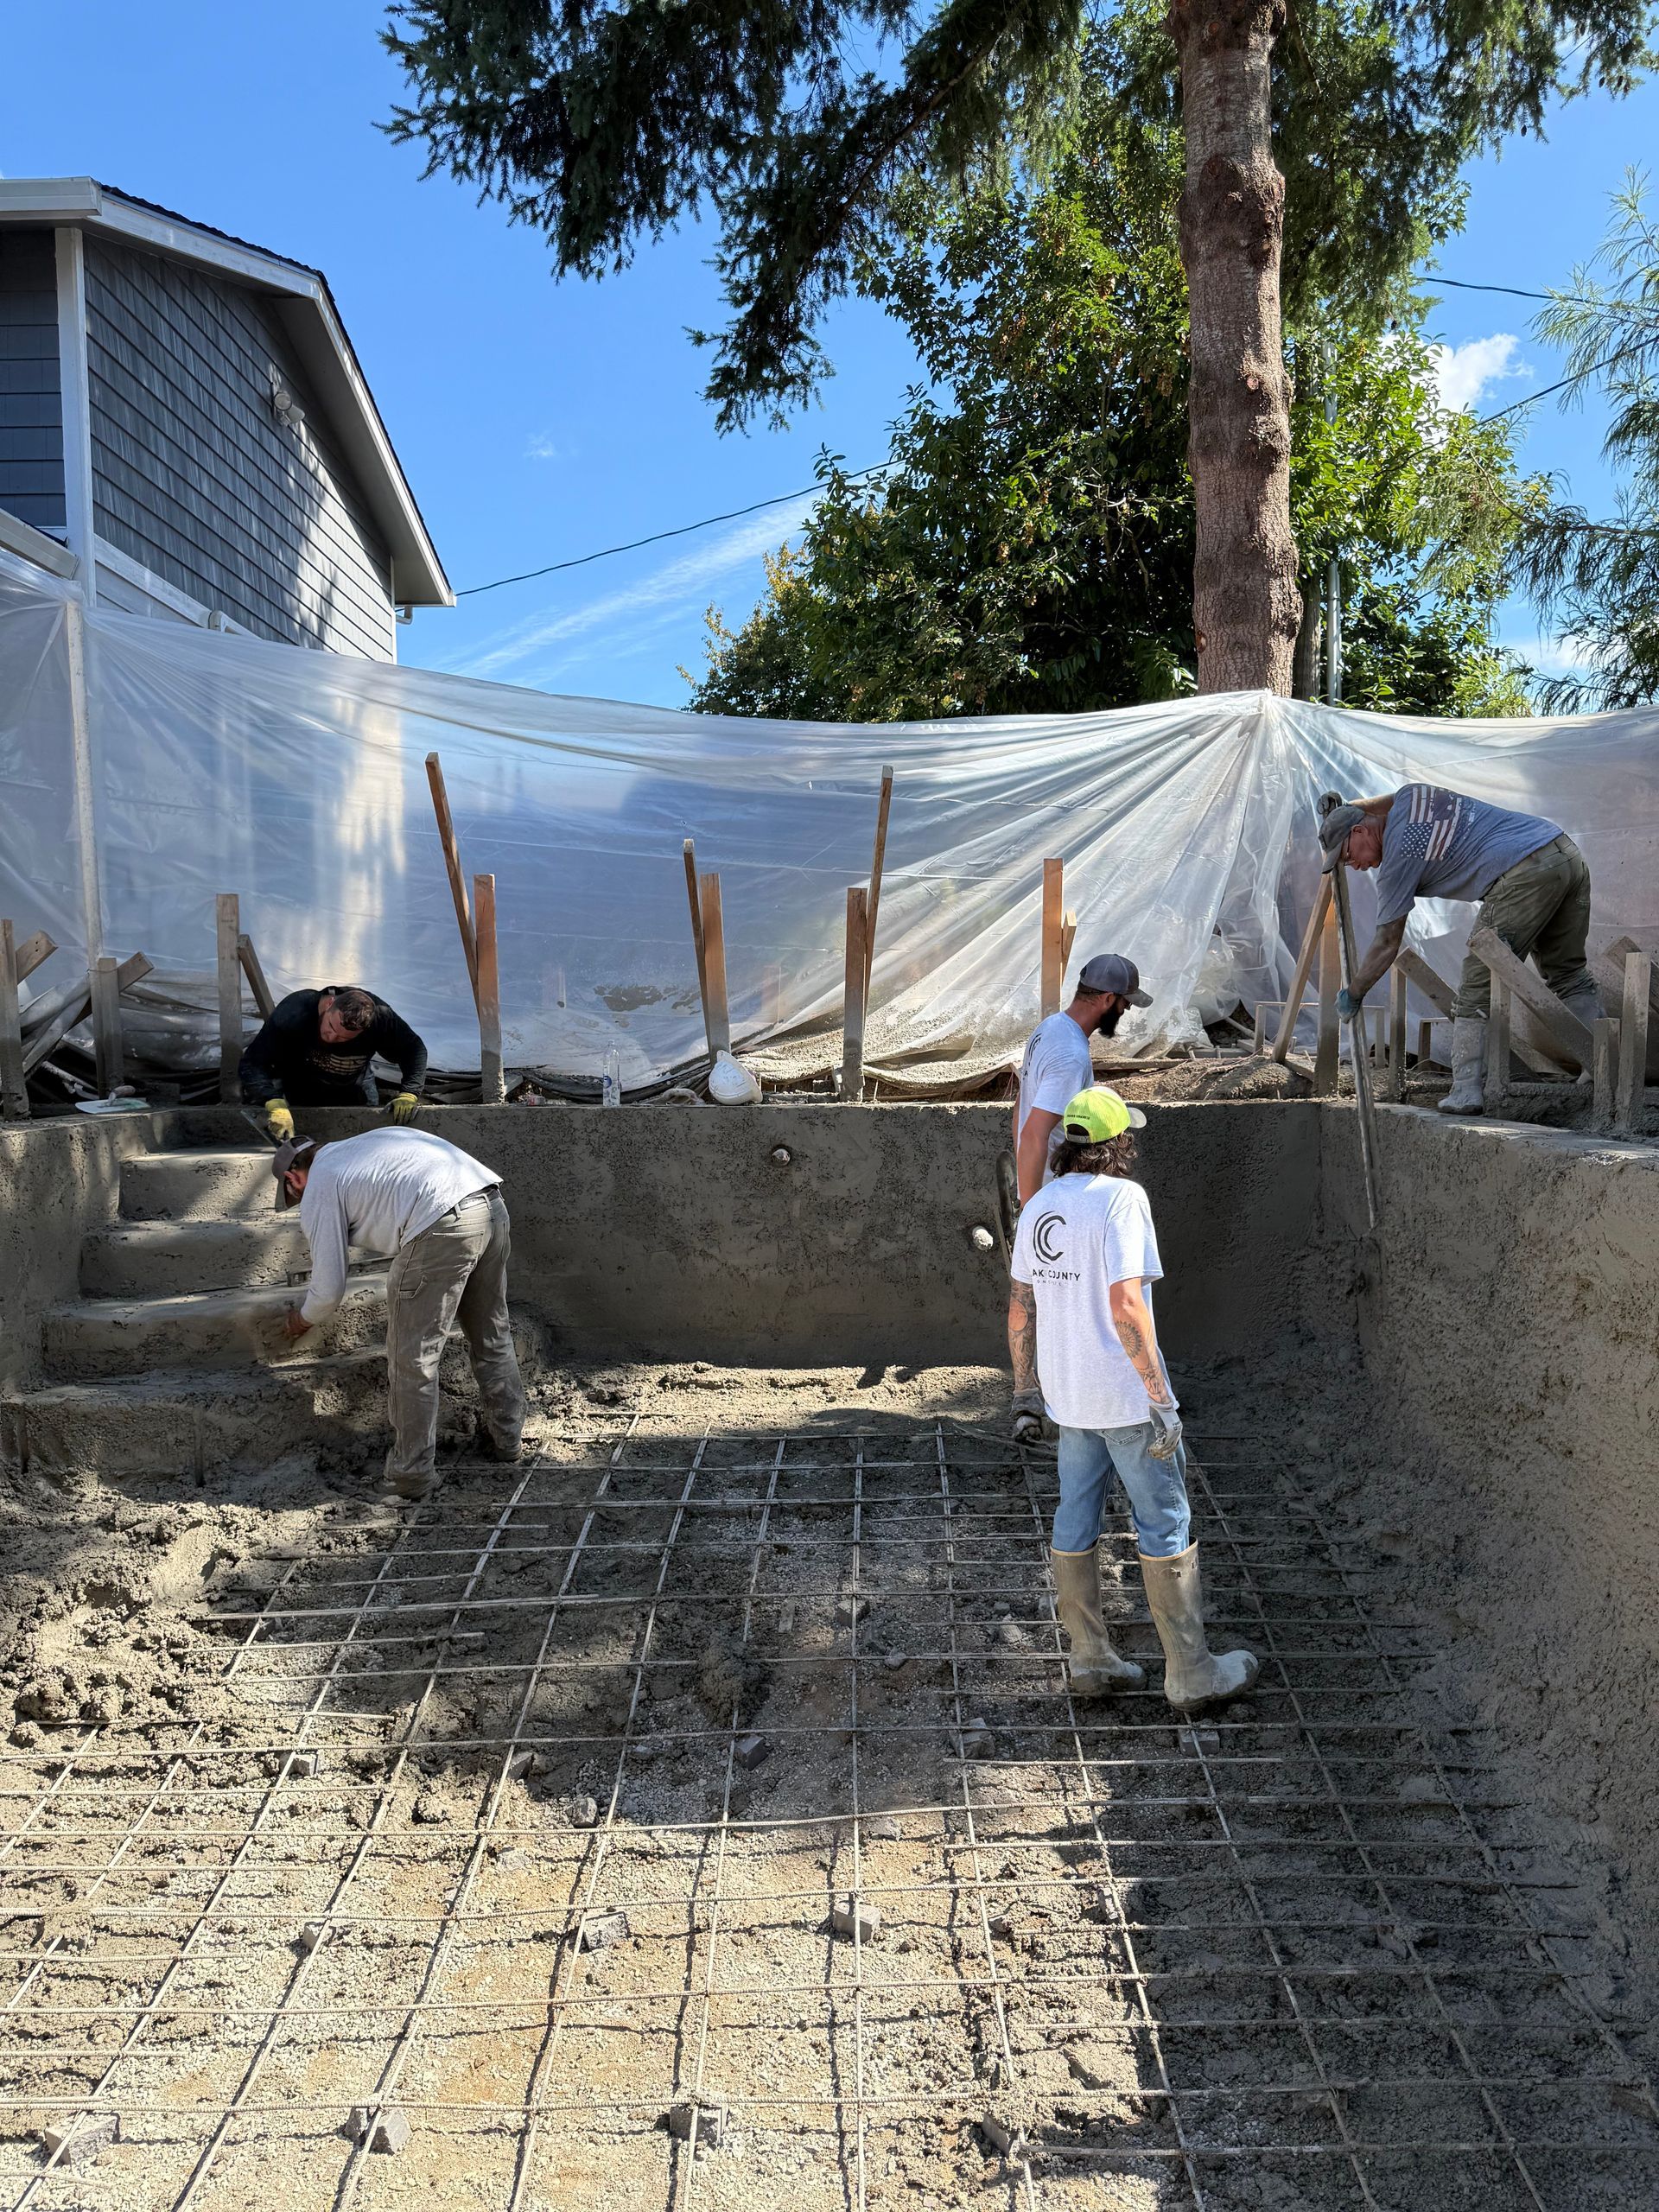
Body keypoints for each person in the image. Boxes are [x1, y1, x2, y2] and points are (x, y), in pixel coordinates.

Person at [1007, 1086, 1258, 1713]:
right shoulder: (1122, 1199)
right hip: (1125, 1401)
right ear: (1119, 1143)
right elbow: (1125, 1304)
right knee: (1164, 1520)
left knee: (1075, 1512)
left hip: (1069, 1400)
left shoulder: (1039, 1207)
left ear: (1067, 1145)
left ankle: (1090, 1661)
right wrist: (1159, 1394)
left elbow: (1020, 1309)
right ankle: (1191, 1673)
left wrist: (1026, 1390)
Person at [274, 1126, 525, 1500]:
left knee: (413, 1358)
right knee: (492, 1334)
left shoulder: (321, 1184)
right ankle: (507, 1441)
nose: (298, 1200)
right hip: (489, 1205)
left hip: (439, 1223)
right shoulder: (359, 1150)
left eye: (293, 1194)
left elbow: (328, 1290)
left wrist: (302, 1319)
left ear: (293, 1178)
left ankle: (410, 1475)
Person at [1319, 785, 1600, 1116]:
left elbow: (1386, 943)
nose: (1353, 866)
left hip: (1523, 871)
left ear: (1359, 831)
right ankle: (1601, 1065)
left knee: (1478, 980)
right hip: (1563, 852)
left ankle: (1466, 1089)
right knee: (1567, 973)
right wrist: (1349, 805)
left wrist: (1354, 993)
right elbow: (1380, 803)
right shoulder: (1410, 796)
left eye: (1347, 856)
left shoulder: (1397, 860)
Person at [1011, 954, 1152, 1204]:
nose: (1124, 1011)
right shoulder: (1071, 1056)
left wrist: (1025, 1192)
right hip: (1054, 1198)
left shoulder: (1049, 1027)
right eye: (1125, 1003)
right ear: (1108, 999)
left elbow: (1021, 1106)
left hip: (1041, 1190)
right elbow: (1033, 1133)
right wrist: (1030, 1209)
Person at [240, 985, 429, 1140]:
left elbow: (414, 1050)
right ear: (330, 1004)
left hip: (355, 1090)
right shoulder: (296, 1010)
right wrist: (272, 1101)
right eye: (330, 1026)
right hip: (301, 1091)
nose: (331, 1037)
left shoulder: (381, 1018)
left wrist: (409, 1093)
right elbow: (253, 1062)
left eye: (343, 1038)